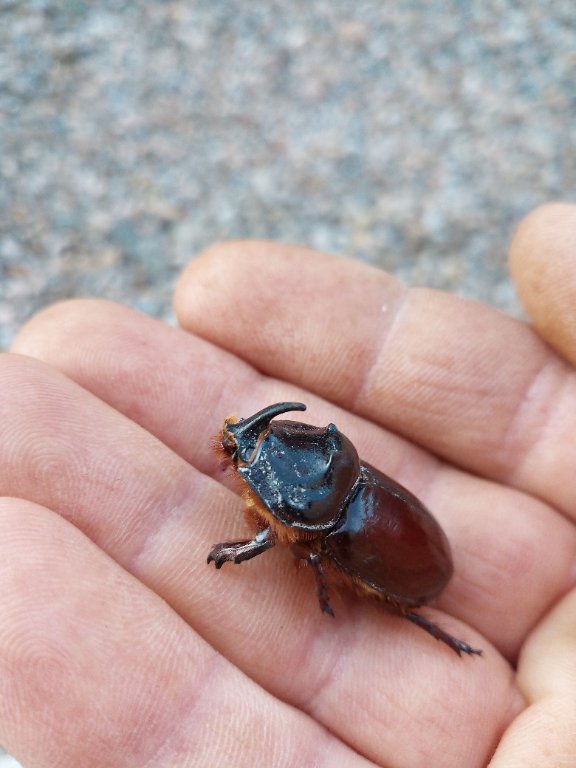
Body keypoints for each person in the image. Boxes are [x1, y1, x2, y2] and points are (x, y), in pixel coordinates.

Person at [0, 203, 575, 767]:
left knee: (377, 591)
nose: (242, 450)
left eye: (251, 451)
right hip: (394, 528)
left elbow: (278, 539)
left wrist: (232, 553)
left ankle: (426, 627)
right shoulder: (322, 479)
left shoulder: (307, 518)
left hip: (412, 572)